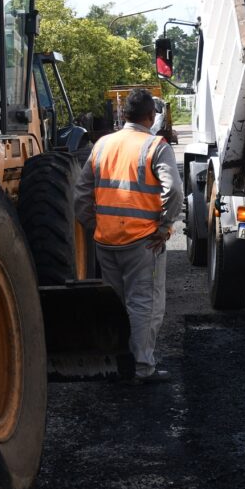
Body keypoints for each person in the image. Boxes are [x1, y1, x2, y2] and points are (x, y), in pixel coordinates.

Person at [75, 88, 184, 384]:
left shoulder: (101, 145)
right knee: (144, 305)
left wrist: (95, 226)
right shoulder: (155, 146)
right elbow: (174, 190)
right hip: (142, 242)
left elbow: (82, 195)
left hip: (105, 241)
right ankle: (142, 368)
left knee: (117, 305)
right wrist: (164, 227)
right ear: (151, 117)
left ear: (124, 115)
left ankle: (118, 364)